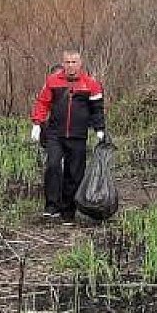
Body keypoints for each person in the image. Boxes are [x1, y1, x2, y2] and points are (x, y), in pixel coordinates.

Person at [30, 51, 106, 224]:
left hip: (78, 135)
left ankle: (68, 212)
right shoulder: (52, 81)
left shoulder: (91, 84)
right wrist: (37, 123)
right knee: (53, 166)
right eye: (67, 62)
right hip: (55, 133)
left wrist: (99, 129)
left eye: (73, 62)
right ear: (62, 63)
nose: (70, 65)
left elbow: (97, 110)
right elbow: (42, 102)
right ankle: (52, 206)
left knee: (74, 173)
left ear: (80, 63)